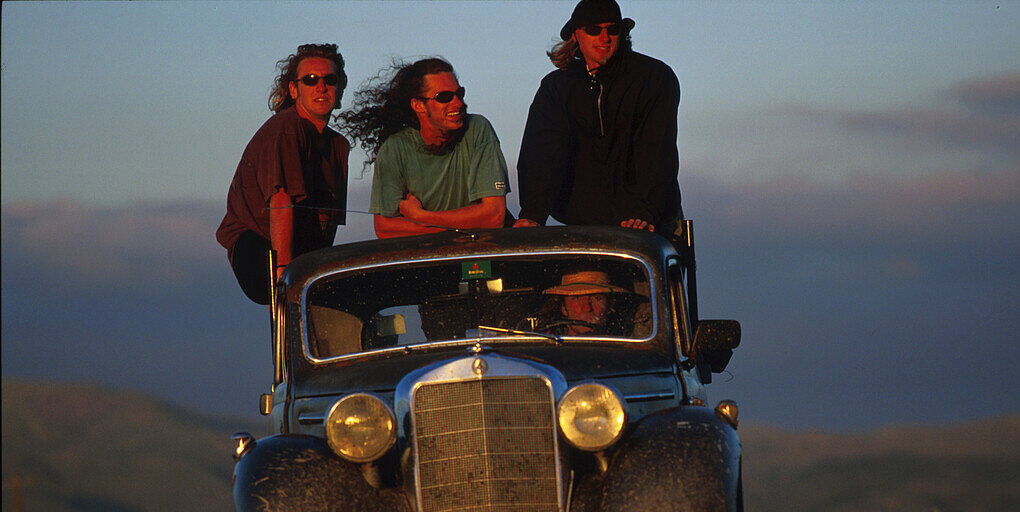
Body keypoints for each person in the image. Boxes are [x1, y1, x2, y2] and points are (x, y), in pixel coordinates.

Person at [516, 0, 682, 237]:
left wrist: (644, 212)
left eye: (612, 30)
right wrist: (532, 214)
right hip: (583, 227)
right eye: (594, 30)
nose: (604, 37)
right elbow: (541, 153)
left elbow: (656, 151)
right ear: (575, 35)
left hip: (649, 223)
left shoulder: (654, 78)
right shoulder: (556, 88)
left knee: (650, 267)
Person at [216, 44, 351, 304]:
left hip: (304, 252)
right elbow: (280, 202)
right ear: (293, 89)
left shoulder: (338, 146)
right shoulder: (287, 128)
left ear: (339, 88)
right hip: (259, 247)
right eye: (310, 80)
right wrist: (283, 276)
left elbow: (328, 224)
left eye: (329, 80)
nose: (321, 87)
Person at [339, 58, 509, 238]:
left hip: (475, 256)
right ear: (418, 105)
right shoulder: (395, 149)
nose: (458, 103)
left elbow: (494, 216)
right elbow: (385, 228)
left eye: (459, 93)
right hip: (423, 259)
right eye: (444, 97)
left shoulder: (477, 128)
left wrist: (422, 216)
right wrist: (465, 225)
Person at [542, 270, 628, 335]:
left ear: (610, 304)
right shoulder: (546, 345)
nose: (587, 308)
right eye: (576, 298)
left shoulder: (626, 345)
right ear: (563, 308)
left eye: (597, 298)